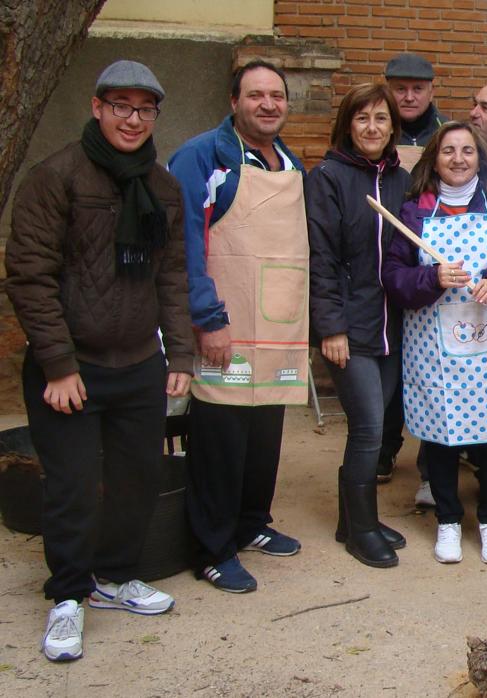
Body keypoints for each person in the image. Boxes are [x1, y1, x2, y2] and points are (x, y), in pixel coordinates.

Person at [6, 60, 191, 662]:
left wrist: (180, 351)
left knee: (137, 480)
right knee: (73, 487)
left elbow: (172, 275)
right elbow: (29, 275)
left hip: (138, 361)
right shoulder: (55, 176)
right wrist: (58, 364)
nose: (133, 119)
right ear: (97, 107)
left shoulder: (162, 187)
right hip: (71, 368)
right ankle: (67, 596)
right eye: (121, 106)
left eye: (145, 109)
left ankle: (112, 577)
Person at [169, 60, 308, 593]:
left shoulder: (289, 160)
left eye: (277, 95)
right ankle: (211, 547)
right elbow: (185, 246)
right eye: (256, 95)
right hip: (225, 327)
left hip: (275, 328)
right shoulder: (203, 157)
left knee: (263, 435)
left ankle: (251, 524)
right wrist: (207, 319)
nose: (269, 104)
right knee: (221, 437)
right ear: (234, 101)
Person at [382, 122, 487, 565]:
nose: (458, 159)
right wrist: (429, 278)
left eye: (467, 151)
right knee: (440, 436)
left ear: (480, 159)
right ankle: (449, 522)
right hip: (435, 353)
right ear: (434, 159)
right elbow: (394, 278)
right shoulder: (414, 213)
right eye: (449, 151)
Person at [306, 83, 411, 568]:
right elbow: (320, 258)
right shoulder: (327, 177)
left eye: (381, 119)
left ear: (394, 127)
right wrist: (330, 326)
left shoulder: (401, 179)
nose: (372, 127)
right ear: (348, 125)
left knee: (377, 423)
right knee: (368, 427)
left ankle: (353, 518)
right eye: (362, 118)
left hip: (393, 327)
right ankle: (362, 530)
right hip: (350, 327)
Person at [386, 53, 445, 170]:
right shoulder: (375, 133)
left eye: (417, 89)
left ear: (431, 92)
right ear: (388, 91)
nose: (409, 98)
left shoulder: (446, 131)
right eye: (400, 89)